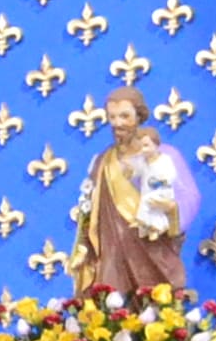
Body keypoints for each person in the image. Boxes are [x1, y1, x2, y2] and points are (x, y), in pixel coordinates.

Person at [73, 85, 192, 298]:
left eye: (125, 116)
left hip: (152, 250)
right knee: (112, 302)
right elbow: (90, 211)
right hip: (112, 255)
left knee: (154, 301)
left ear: (139, 117)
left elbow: (189, 197)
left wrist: (171, 209)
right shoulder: (104, 161)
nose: (117, 123)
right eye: (112, 117)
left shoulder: (164, 157)